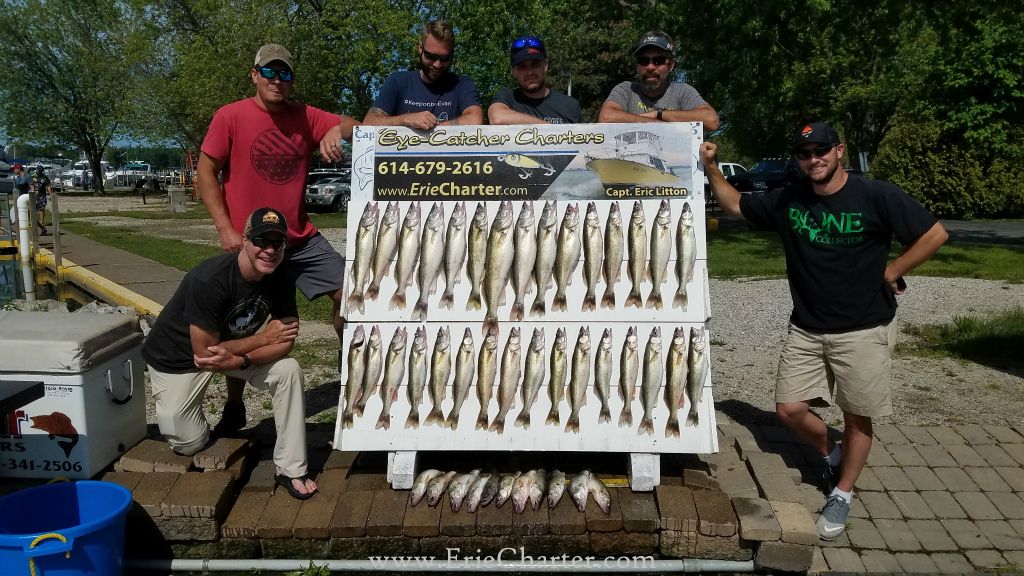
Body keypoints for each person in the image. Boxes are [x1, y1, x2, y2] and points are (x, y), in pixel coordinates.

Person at [702, 121, 948, 540]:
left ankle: (843, 493)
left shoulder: (876, 194)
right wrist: (711, 169)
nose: (812, 159)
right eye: (803, 153)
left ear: (839, 152)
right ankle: (834, 454)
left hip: (864, 328)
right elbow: (737, 206)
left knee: (857, 416)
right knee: (788, 409)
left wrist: (893, 270)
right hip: (807, 327)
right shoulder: (790, 199)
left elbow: (934, 234)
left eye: (820, 151)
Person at [199, 43, 357, 437]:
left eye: (284, 74)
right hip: (251, 243)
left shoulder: (304, 115)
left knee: (352, 295)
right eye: (269, 72)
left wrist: (333, 132)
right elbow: (207, 172)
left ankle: (351, 375)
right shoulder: (230, 116)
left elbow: (356, 124)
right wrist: (225, 228)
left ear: (291, 81)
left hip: (299, 239)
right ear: (254, 75)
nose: (276, 80)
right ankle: (235, 406)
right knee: (239, 324)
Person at [142, 207, 318, 499]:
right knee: (188, 444)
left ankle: (292, 469)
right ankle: (211, 423)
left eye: (278, 243)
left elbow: (285, 340)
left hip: (231, 352)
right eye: (262, 241)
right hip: (179, 358)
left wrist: (243, 360)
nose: (270, 250)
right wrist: (263, 338)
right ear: (245, 241)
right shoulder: (208, 279)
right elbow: (206, 353)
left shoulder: (281, 274)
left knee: (289, 371)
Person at [363, 20, 483, 128]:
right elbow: (369, 123)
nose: (437, 64)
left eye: (444, 58)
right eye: (431, 56)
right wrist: (406, 119)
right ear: (420, 47)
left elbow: (475, 119)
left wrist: (433, 129)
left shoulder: (461, 84)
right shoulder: (398, 81)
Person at [598, 30, 719, 130]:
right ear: (637, 66)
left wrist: (658, 114)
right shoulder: (626, 89)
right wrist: (658, 125)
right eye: (643, 61)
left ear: (671, 65)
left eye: (658, 60)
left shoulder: (682, 91)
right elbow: (606, 117)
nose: (650, 67)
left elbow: (711, 120)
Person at [487, 35, 581, 125]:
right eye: (522, 67)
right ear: (514, 71)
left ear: (545, 65)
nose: (530, 72)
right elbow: (497, 118)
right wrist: (551, 129)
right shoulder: (507, 98)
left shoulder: (570, 105)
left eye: (535, 64)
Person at [30, 165, 51, 235]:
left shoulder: (44, 178)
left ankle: (41, 221)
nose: (38, 172)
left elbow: (48, 186)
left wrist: (50, 194)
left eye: (40, 170)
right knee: (32, 209)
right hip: (33, 195)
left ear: (42, 171)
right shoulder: (32, 176)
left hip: (42, 195)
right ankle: (34, 221)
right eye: (37, 170)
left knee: (41, 208)